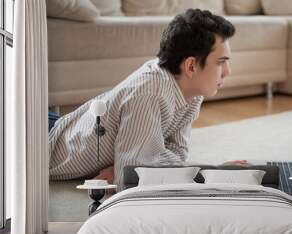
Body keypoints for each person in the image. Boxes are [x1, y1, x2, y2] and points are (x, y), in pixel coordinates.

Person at [49, 9, 246, 191]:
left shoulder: (191, 93)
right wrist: (212, 173)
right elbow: (135, 177)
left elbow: (176, 154)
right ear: (191, 66)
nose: (228, 72)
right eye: (221, 63)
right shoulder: (150, 92)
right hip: (40, 143)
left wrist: (126, 166)